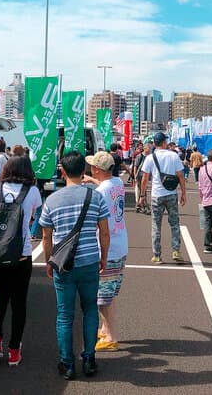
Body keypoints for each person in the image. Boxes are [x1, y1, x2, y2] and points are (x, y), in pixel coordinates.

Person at [40, 151, 111, 380]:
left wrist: (49, 261)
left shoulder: (51, 200)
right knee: (90, 309)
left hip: (63, 265)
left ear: (62, 171)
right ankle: (89, 359)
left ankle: (67, 363)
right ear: (85, 171)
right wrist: (104, 257)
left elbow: (46, 238)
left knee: (64, 314)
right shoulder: (96, 197)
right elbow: (104, 232)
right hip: (90, 261)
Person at [0, 156, 43, 367]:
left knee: (1, 296)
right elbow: (31, 218)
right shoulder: (32, 192)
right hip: (21, 254)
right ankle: (14, 350)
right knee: (19, 303)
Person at [84, 151, 128, 352]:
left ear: (96, 169)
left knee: (102, 298)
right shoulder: (117, 183)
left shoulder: (99, 193)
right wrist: (92, 180)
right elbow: (104, 184)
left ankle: (111, 337)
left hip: (107, 248)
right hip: (121, 244)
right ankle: (105, 328)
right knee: (109, 293)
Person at [139, 132, 186, 264]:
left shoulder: (150, 157)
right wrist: (183, 193)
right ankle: (176, 250)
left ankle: (157, 255)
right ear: (165, 143)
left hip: (156, 195)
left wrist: (142, 195)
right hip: (171, 194)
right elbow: (181, 175)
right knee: (174, 223)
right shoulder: (173, 155)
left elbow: (144, 179)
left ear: (154, 143)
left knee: (156, 225)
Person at [132, 144, 150, 214]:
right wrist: (135, 176)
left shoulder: (149, 157)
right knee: (142, 192)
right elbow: (135, 166)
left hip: (145, 176)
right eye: (149, 148)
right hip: (140, 176)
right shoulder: (140, 156)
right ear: (145, 149)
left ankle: (139, 206)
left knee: (143, 191)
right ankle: (144, 207)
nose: (150, 150)